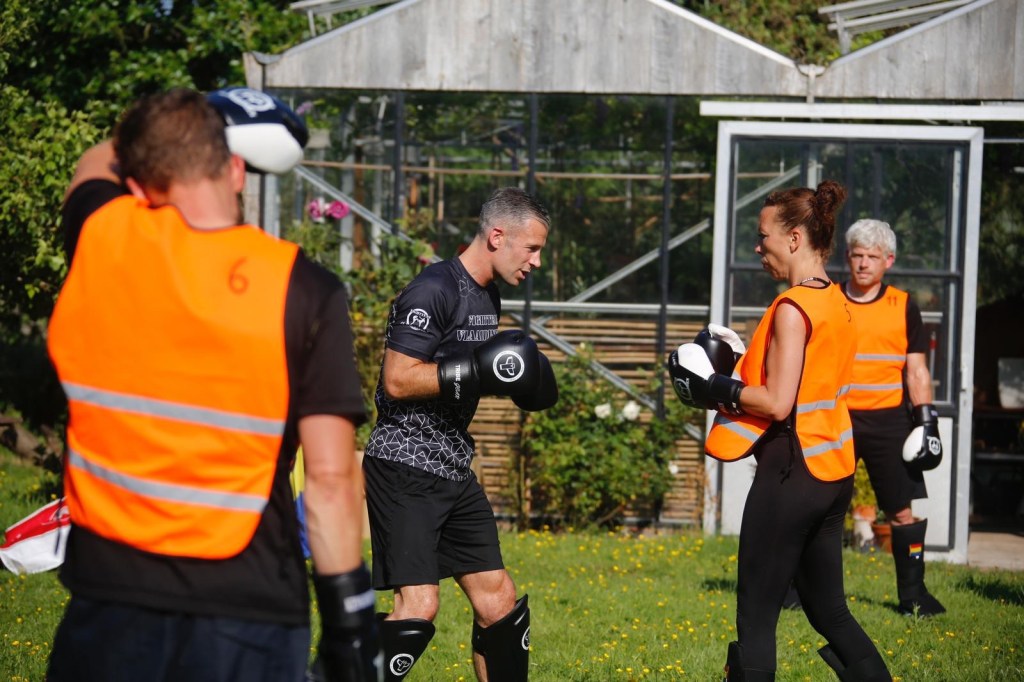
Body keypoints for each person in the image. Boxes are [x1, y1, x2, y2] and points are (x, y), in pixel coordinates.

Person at [45, 87, 379, 682]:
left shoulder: (102, 238)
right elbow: (330, 483)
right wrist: (349, 626)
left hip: (109, 600)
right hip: (249, 609)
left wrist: (194, 114)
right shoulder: (303, 288)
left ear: (140, 185)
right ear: (236, 170)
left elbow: (95, 161)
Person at [670, 181, 891, 681]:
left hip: (790, 475)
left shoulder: (792, 308)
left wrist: (711, 385)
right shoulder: (837, 301)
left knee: (756, 618)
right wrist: (741, 362)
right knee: (830, 612)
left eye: (762, 235)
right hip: (832, 472)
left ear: (794, 239)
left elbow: (777, 401)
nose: (757, 247)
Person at [362, 187, 558, 681]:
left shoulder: (487, 295)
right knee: (418, 608)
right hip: (405, 464)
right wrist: (476, 371)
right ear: (497, 236)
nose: (536, 261)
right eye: (532, 248)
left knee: (499, 602)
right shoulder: (432, 290)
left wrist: (508, 378)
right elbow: (397, 380)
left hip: (451, 463)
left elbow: (467, 377)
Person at [842, 218, 946, 617]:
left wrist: (927, 422)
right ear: (847, 257)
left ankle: (914, 596)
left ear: (889, 260)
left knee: (901, 511)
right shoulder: (830, 301)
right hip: (837, 417)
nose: (863, 263)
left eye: (873, 256)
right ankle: (798, 591)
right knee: (818, 507)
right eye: (857, 255)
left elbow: (916, 370)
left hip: (890, 422)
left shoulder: (903, 305)